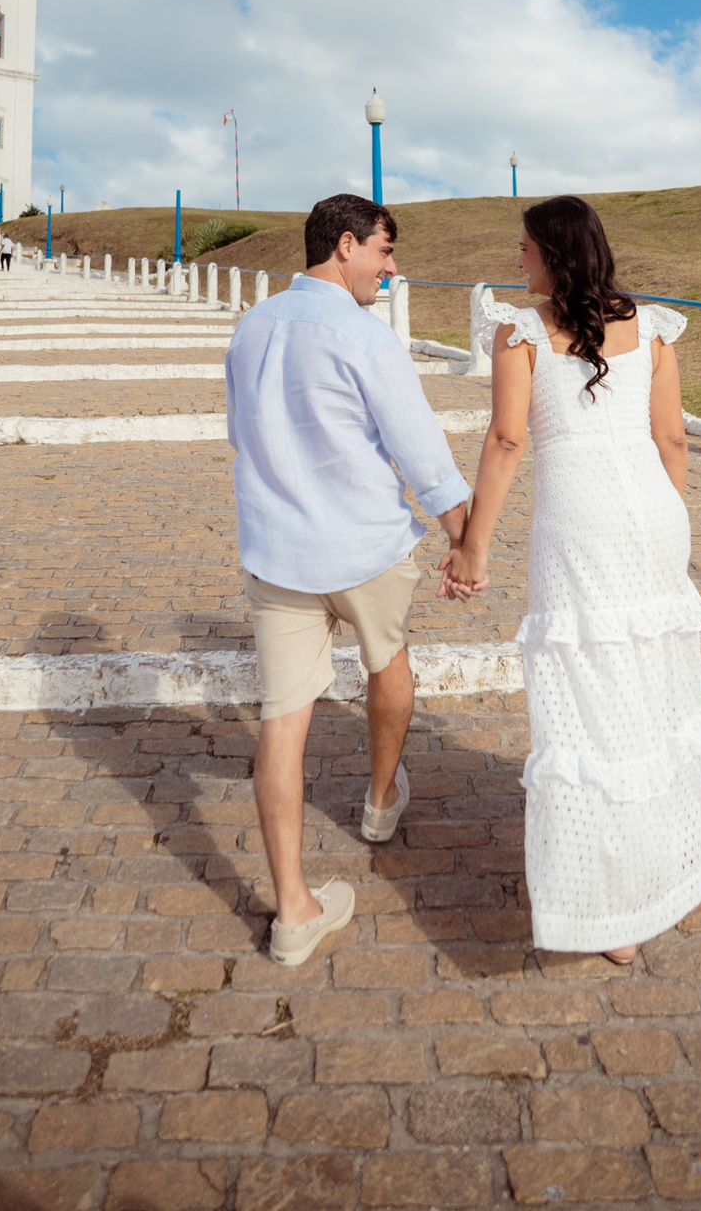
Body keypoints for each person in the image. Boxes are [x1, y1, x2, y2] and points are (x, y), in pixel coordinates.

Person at [443, 196, 701, 964]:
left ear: (555, 254)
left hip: (580, 526)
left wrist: (473, 547)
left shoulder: (521, 332)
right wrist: (669, 533)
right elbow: (672, 440)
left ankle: (613, 913)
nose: (518, 260)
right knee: (650, 697)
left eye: (525, 248)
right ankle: (664, 875)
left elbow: (507, 441)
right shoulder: (651, 326)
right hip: (655, 519)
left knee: (589, 707)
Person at [225, 193, 472, 967]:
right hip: (364, 545)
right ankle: (378, 799)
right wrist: (464, 539)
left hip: (278, 550)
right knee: (387, 662)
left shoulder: (251, 327)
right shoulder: (364, 335)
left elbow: (240, 433)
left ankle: (293, 909)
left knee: (282, 720)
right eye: (384, 252)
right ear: (345, 245)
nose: (389, 270)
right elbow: (421, 450)